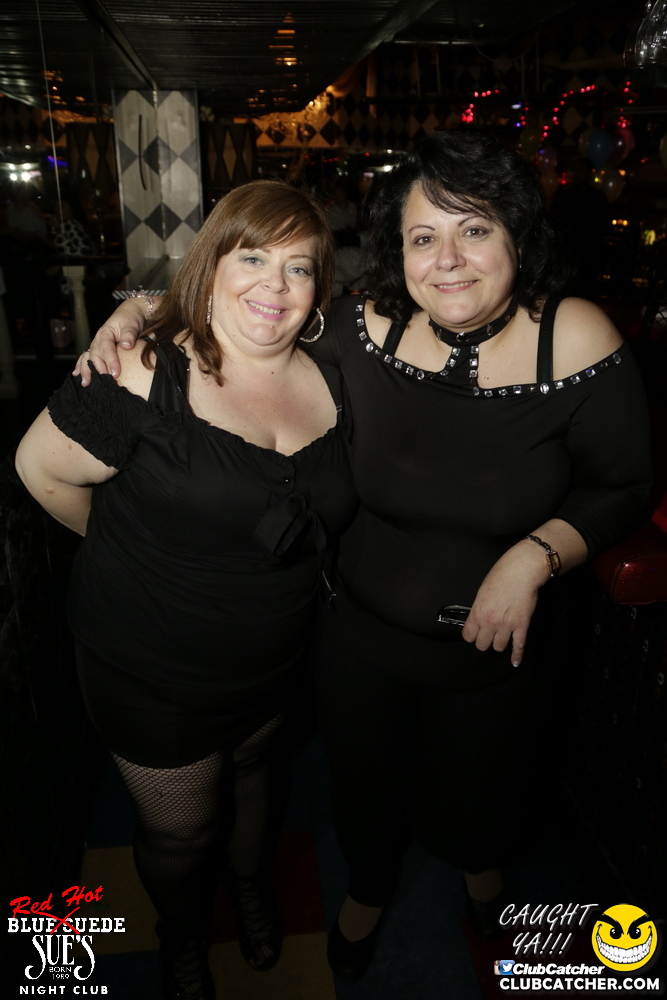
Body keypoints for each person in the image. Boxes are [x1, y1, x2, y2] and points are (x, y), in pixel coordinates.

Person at [74, 130, 652, 979]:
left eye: (474, 229)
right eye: (423, 237)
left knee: (480, 800)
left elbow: (622, 484)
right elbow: (249, 298)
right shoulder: (361, 326)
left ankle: (478, 864)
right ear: (397, 252)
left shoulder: (572, 337)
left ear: (518, 236)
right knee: (362, 791)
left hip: (496, 653)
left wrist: (534, 556)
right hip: (353, 638)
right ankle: (368, 892)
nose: (447, 260)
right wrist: (136, 310)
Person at [15, 180, 357, 1000]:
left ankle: (249, 890)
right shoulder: (144, 369)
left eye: (298, 267)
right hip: (151, 668)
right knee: (181, 831)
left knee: (255, 775)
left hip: (273, 655)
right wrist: (138, 556)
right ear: (212, 265)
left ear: (318, 288)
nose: (274, 285)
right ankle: (182, 938)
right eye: (252, 258)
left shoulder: (334, 371)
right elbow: (40, 471)